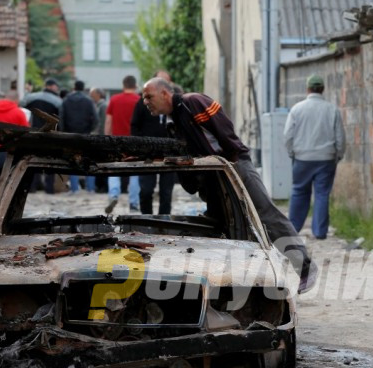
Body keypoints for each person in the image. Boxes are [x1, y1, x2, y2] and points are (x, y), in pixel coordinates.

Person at [141, 78, 319, 294]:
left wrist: (231, 163)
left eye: (149, 96)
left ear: (165, 94)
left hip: (234, 166)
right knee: (222, 226)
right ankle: (238, 285)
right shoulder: (172, 122)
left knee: (266, 215)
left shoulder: (192, 102)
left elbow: (224, 130)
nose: (145, 101)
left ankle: (305, 269)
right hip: (213, 177)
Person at [284, 74, 345, 240]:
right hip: (326, 159)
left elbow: (288, 135)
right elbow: (340, 137)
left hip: (302, 158)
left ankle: (293, 229)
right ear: (323, 89)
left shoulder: (297, 109)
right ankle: (319, 231)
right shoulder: (332, 109)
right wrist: (338, 155)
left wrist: (292, 153)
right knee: (322, 194)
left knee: (298, 191)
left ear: (308, 89)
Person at [130, 70, 175, 215]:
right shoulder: (144, 103)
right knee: (146, 190)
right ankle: (147, 219)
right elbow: (135, 125)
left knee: (166, 192)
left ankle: (164, 221)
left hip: (170, 153)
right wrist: (140, 146)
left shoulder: (175, 103)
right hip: (148, 153)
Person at [105, 76, 141, 213]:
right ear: (135, 85)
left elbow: (109, 120)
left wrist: (106, 138)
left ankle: (113, 195)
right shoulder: (139, 100)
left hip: (116, 141)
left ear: (123, 85)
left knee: (113, 169)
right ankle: (133, 203)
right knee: (135, 172)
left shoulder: (114, 99)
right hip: (134, 141)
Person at [21, 78, 63, 193]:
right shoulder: (58, 101)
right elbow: (61, 119)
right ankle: (49, 188)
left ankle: (33, 187)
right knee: (51, 160)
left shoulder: (31, 97)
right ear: (52, 86)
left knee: (33, 159)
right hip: (51, 135)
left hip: (33, 132)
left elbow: (22, 105)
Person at [0, 89, 29, 196]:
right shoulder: (19, 113)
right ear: (16, 99)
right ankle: (7, 204)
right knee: (11, 179)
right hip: (12, 152)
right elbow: (27, 132)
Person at [60, 80, 98, 193]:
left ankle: (74, 188)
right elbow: (95, 119)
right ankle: (90, 188)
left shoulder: (66, 100)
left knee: (73, 160)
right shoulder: (89, 101)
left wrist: (63, 132)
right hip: (85, 134)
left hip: (70, 135)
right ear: (83, 88)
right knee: (88, 160)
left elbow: (61, 118)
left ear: (74, 87)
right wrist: (89, 129)